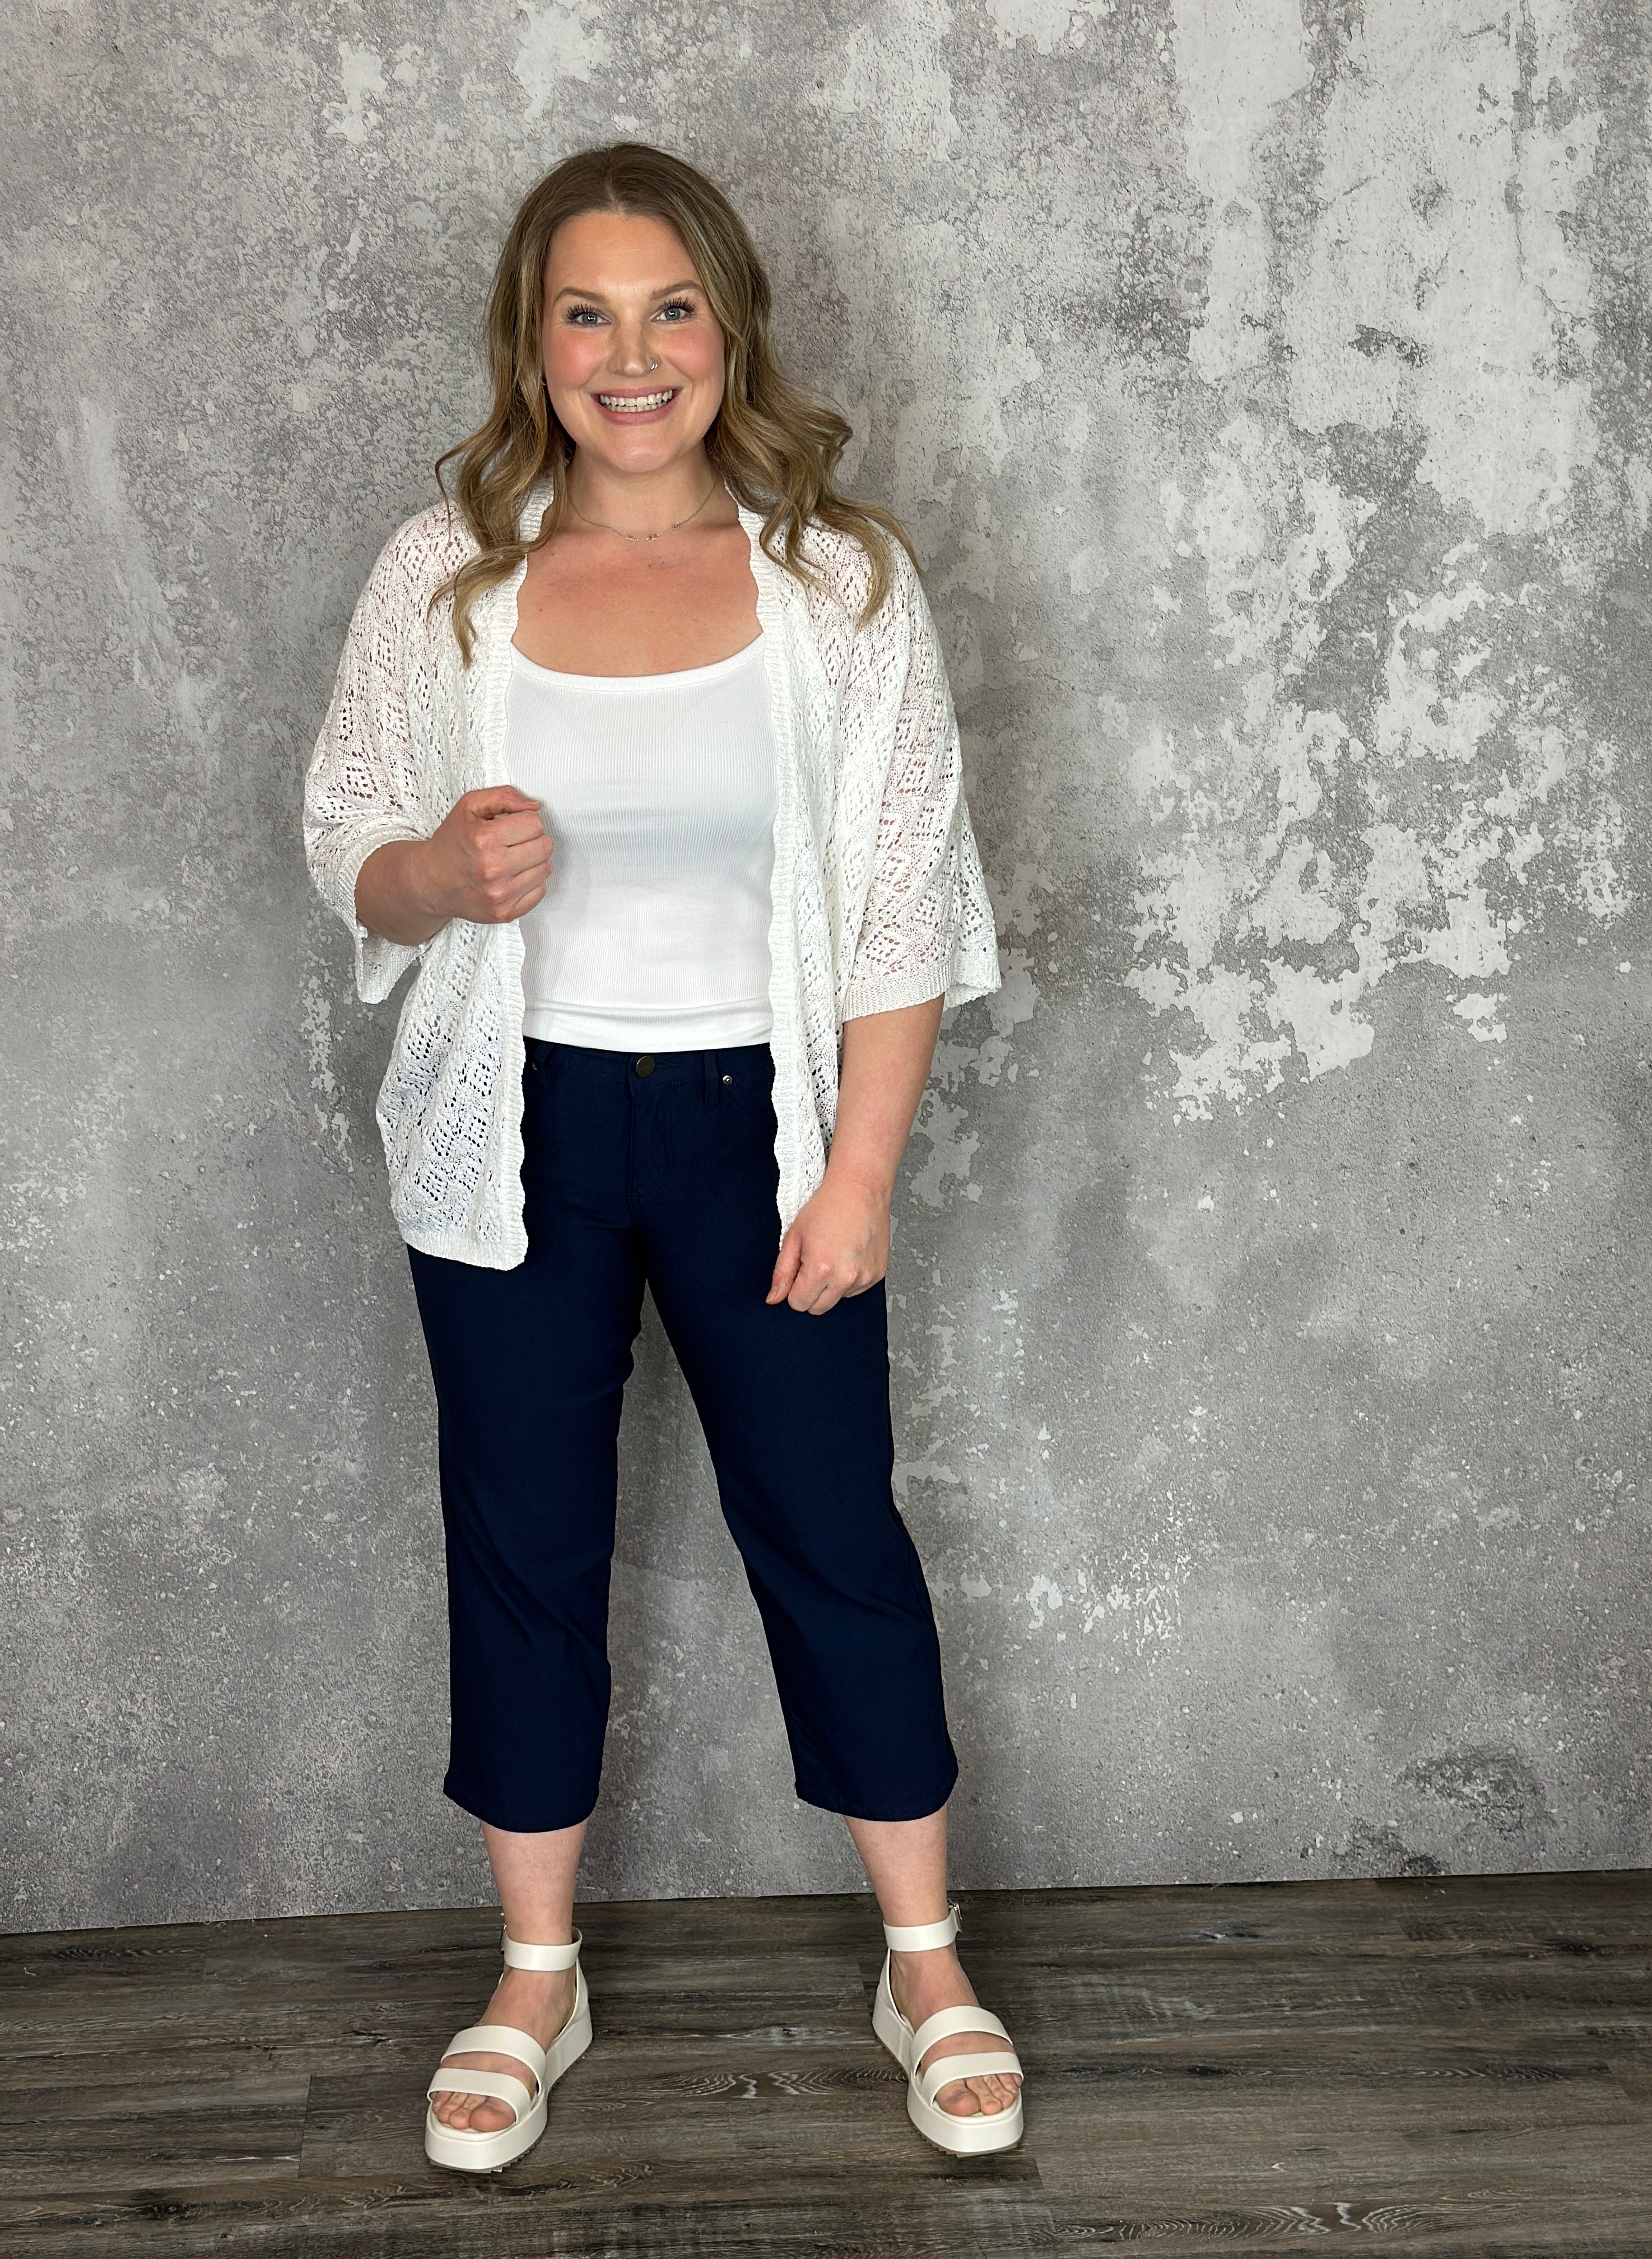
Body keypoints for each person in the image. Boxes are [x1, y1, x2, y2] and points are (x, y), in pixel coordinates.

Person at [301, 141, 1020, 2171]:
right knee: (523, 1538)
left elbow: (902, 903)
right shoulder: (442, 573)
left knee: (833, 1528)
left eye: (672, 307)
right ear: (533, 344)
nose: (634, 355)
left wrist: (858, 1178)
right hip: (512, 1125)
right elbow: (348, 831)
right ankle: (537, 1974)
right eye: (587, 313)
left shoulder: (839, 583)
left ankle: (924, 1960)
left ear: (729, 327)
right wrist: (439, 873)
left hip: (761, 1131)